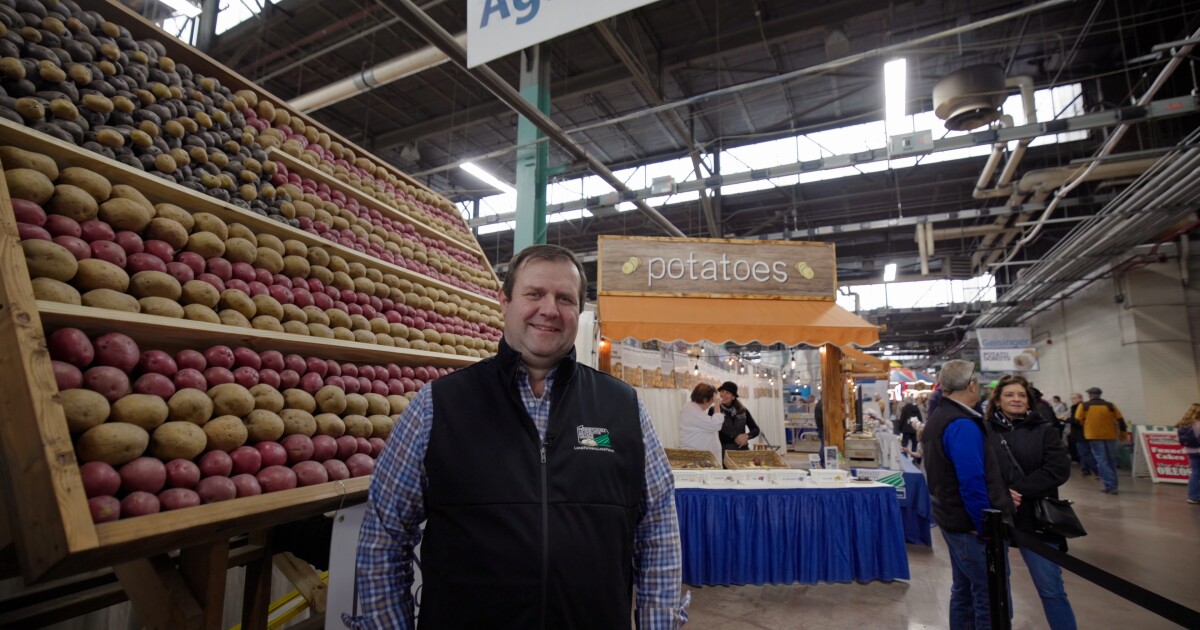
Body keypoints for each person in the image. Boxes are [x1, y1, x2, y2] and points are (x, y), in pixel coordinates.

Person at [347, 244, 687, 628]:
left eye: (565, 298)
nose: (549, 309)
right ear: (504, 302)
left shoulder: (622, 407)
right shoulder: (439, 405)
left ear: (579, 311)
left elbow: (657, 531)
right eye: (534, 294)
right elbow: (385, 534)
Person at [921, 360, 1015, 630]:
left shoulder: (939, 418)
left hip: (953, 520)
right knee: (989, 598)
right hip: (970, 527)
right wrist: (985, 525)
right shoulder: (961, 423)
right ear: (971, 385)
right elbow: (971, 481)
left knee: (964, 591)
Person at [985, 375, 1076, 630]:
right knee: (998, 591)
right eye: (1009, 395)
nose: (1016, 399)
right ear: (998, 401)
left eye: (1021, 395)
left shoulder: (1044, 430)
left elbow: (1058, 469)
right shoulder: (986, 430)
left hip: (1036, 517)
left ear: (1029, 401)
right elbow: (981, 469)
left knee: (1051, 589)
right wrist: (1001, 493)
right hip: (998, 516)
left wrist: (1016, 491)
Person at [1075, 387, 1125, 495]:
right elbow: (1121, 420)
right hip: (1111, 436)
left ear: (1090, 395)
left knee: (1101, 460)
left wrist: (1087, 426)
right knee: (1111, 460)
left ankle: (1110, 486)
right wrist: (1123, 435)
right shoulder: (1110, 405)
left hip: (1094, 435)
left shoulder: (1083, 406)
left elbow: (1078, 420)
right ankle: (1113, 485)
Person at [679, 382, 722, 463]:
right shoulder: (691, 410)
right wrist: (717, 404)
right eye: (711, 401)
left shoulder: (693, 408)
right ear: (705, 399)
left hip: (701, 459)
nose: (711, 404)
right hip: (696, 459)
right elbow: (716, 425)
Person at [717, 381, 760, 453]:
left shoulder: (743, 410)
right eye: (722, 391)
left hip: (743, 451)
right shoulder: (714, 410)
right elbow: (715, 433)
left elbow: (755, 429)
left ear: (733, 397)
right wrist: (735, 439)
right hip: (724, 452)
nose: (723, 394)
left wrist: (747, 436)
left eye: (727, 393)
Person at [1066, 393, 1097, 477]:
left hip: (1080, 433)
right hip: (1084, 433)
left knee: (1085, 453)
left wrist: (1066, 419)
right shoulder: (1083, 406)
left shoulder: (1078, 407)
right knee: (1083, 453)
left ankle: (1096, 471)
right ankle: (1085, 470)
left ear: (1080, 398)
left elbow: (1077, 421)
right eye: (1071, 398)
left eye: (1074, 398)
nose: (1072, 400)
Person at [1177, 404, 1200, 505]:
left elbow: (1179, 439)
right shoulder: (1198, 424)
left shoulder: (1184, 424)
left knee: (1195, 473)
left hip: (1191, 451)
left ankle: (1193, 496)